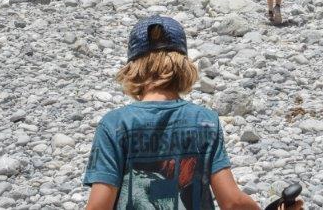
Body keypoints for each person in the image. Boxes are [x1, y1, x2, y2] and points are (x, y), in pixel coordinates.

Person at [84, 16, 302, 210]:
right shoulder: (204, 122)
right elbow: (232, 202)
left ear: (133, 67)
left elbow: (99, 205)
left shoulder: (114, 125)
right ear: (183, 65)